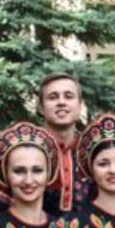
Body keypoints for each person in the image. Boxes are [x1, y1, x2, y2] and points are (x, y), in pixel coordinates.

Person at [37, 72, 91, 215]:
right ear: (41, 107)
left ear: (80, 106)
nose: (61, 102)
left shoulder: (93, 154)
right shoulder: (24, 152)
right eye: (53, 97)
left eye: (68, 96)